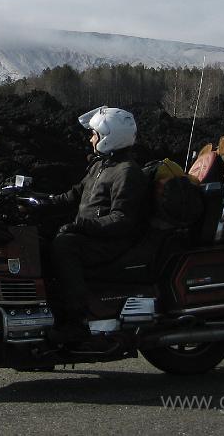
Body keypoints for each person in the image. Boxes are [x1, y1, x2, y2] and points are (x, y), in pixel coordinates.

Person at [46, 106, 149, 343]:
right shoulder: (101, 165)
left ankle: (76, 320)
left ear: (108, 137)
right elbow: (74, 195)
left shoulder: (126, 172)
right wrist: (39, 202)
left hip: (111, 242)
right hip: (94, 235)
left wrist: (79, 226)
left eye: (94, 134)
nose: (91, 138)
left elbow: (121, 220)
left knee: (65, 246)